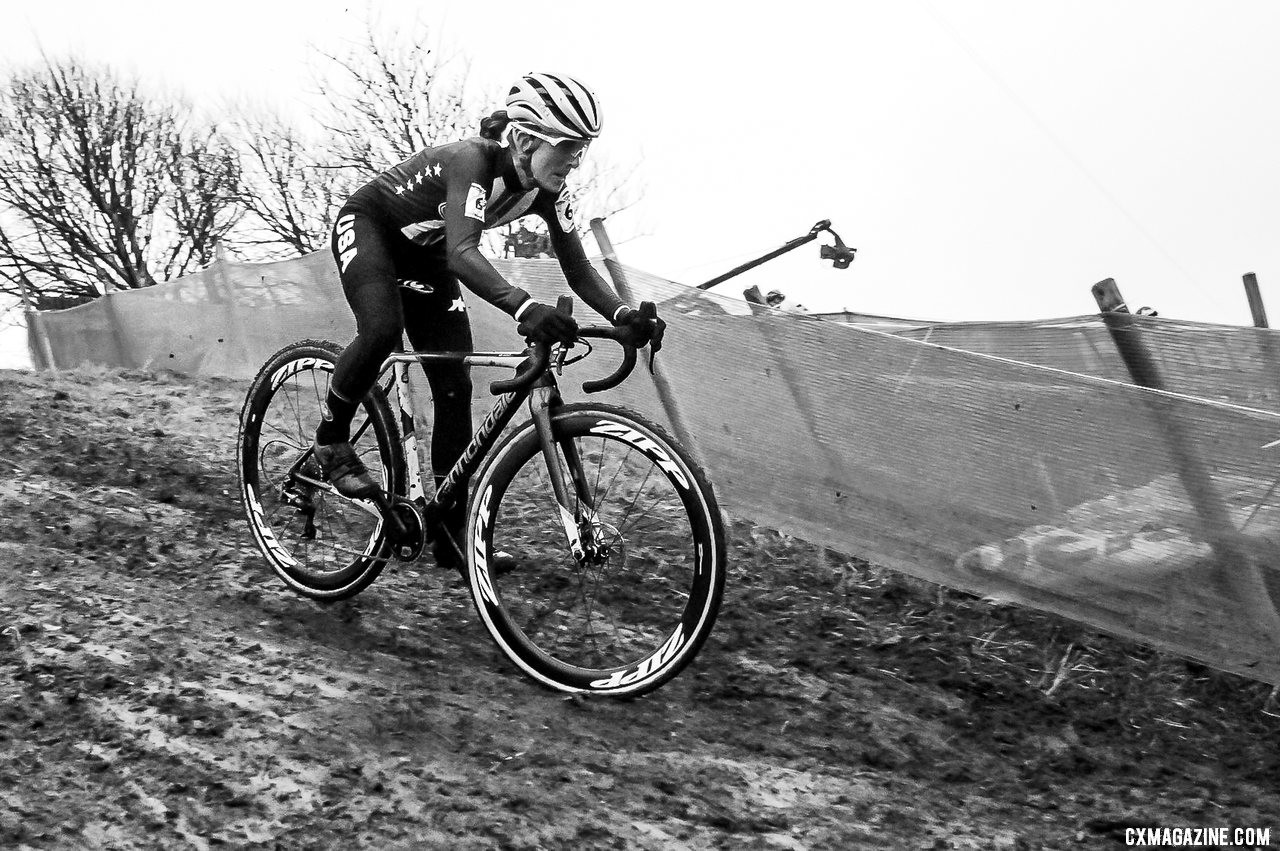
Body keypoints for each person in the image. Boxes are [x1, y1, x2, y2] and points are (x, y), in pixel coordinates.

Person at [314, 71, 665, 575]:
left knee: (455, 385)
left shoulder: (547, 189)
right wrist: (525, 307)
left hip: (427, 255)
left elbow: (579, 268)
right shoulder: (472, 161)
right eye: (567, 146)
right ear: (524, 140)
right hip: (372, 227)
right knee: (382, 330)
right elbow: (462, 252)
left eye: (581, 149)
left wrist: (623, 316)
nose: (574, 160)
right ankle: (331, 439)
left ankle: (449, 533)